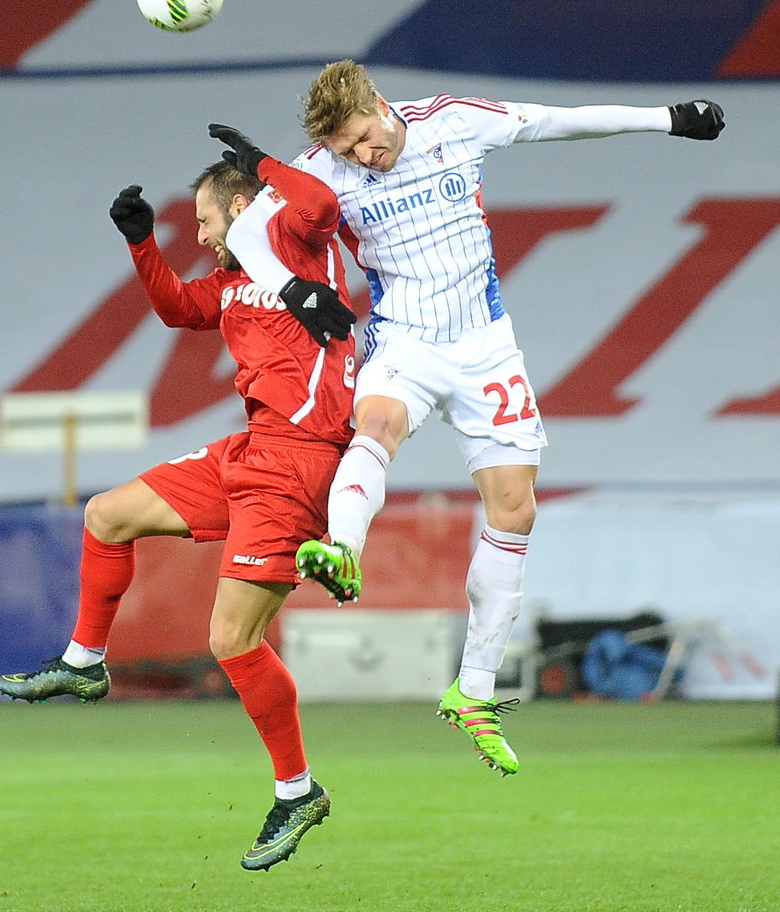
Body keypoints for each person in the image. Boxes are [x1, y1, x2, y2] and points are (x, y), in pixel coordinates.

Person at [209, 62, 725, 776]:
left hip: (485, 345)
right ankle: (342, 547)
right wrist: (293, 286)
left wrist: (667, 117)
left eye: (363, 138)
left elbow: (556, 118)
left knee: (515, 509)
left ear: (381, 108)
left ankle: (473, 688)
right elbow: (247, 235)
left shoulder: (451, 121)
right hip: (404, 340)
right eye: (348, 149)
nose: (362, 156)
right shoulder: (318, 167)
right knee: (377, 427)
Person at [0, 154, 357, 872]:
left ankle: (298, 788)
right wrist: (141, 244)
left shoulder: (299, 250)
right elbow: (176, 308)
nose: (198, 233)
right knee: (107, 514)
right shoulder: (228, 284)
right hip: (251, 448)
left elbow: (320, 204)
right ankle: (85, 663)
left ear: (243, 206)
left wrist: (259, 161)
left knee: (230, 639)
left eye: (203, 217)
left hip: (299, 461)